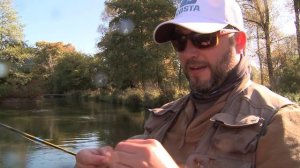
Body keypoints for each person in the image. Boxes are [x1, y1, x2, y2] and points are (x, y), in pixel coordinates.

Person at [75, 0, 300, 167]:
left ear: (239, 42)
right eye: (179, 41)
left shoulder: (279, 122)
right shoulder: (162, 117)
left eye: (204, 38)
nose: (189, 52)